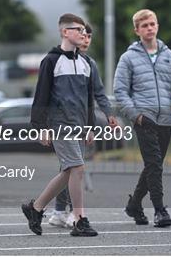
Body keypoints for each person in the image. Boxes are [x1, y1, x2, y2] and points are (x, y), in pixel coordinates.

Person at [114, 9, 171, 227]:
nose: (149, 28)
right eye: (144, 25)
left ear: (157, 26)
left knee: (153, 165)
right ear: (137, 30)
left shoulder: (170, 56)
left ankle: (134, 205)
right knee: (155, 165)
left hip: (166, 120)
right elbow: (120, 91)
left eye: (152, 24)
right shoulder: (128, 58)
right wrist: (136, 116)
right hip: (144, 119)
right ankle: (159, 210)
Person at [22, 13, 98, 237]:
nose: (83, 33)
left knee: (69, 171)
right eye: (78, 29)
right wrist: (40, 127)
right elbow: (41, 97)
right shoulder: (51, 61)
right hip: (59, 124)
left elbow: (89, 98)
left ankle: (35, 208)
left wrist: (91, 126)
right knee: (78, 168)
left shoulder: (86, 63)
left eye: (84, 30)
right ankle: (80, 220)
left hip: (79, 124)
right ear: (65, 32)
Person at [48, 22, 118, 228]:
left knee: (68, 168)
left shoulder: (90, 64)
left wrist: (105, 116)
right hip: (63, 123)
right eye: (82, 35)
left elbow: (96, 94)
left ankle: (58, 210)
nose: (86, 39)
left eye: (89, 36)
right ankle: (71, 212)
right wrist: (45, 125)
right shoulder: (58, 61)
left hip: (81, 122)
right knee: (73, 167)